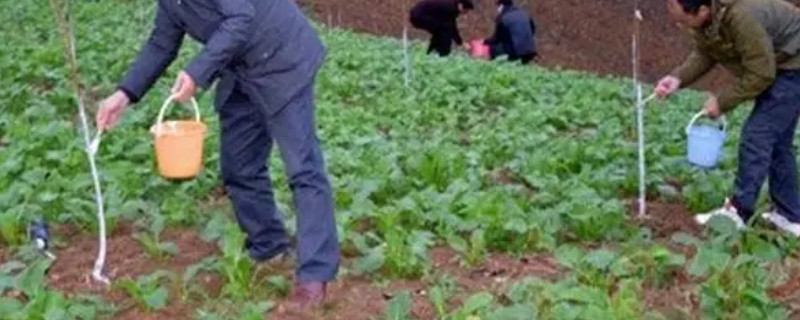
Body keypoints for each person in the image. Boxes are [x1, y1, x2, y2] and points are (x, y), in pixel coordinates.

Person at [95, 0, 340, 307]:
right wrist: (124, 94)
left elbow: (241, 16)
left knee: (304, 169)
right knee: (238, 166)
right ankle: (270, 246)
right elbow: (161, 43)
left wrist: (197, 72)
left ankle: (315, 276)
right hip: (240, 66)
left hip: (282, 56)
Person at [656, 0, 800, 236]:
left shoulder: (742, 17)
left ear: (702, 10)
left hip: (794, 64)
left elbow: (762, 72)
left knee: (758, 134)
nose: (679, 25)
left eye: (683, 20)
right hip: (780, 62)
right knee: (778, 143)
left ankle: (738, 212)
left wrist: (722, 102)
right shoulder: (708, 20)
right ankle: (790, 216)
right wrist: (678, 79)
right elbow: (705, 53)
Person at [409, 0, 475, 57]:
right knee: (445, 32)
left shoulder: (452, 6)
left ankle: (432, 53)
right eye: (466, 10)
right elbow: (452, 27)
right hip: (419, 15)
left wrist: (460, 42)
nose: (465, 13)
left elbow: (452, 27)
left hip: (418, 14)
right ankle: (441, 54)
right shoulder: (450, 8)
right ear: (460, 6)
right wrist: (461, 43)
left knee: (441, 31)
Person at [484, 0, 538, 64]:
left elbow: (497, 39)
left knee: (494, 49)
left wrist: (485, 42)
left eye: (498, 7)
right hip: (530, 51)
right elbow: (532, 30)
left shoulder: (503, 18)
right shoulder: (525, 14)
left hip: (516, 52)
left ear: (501, 6)